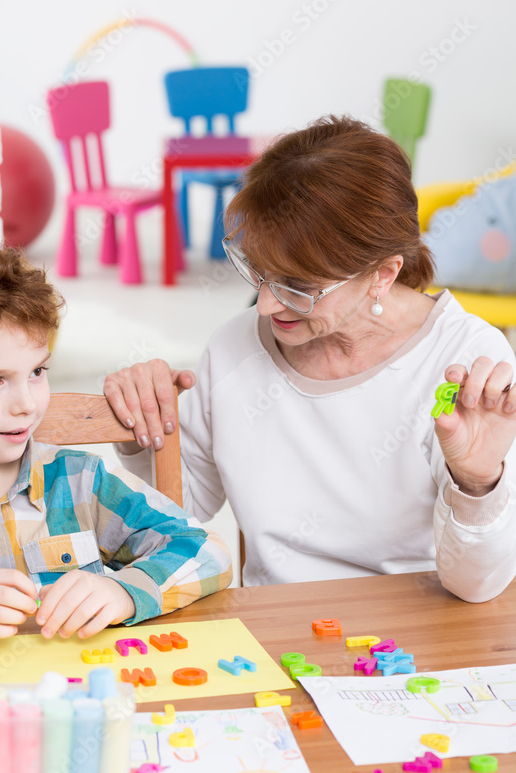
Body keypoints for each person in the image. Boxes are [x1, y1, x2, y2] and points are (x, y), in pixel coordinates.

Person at [104, 116, 516, 602]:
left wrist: (477, 482)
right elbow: (179, 514)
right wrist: (143, 428)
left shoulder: (468, 361)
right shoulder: (234, 346)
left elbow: (477, 588)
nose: (265, 305)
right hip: (278, 624)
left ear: (383, 273)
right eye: (258, 272)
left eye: (298, 287)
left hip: (416, 633)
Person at [0, 227, 231, 643]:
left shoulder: (83, 482)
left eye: (36, 372)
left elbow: (206, 549)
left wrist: (122, 591)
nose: (26, 404)